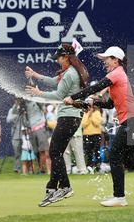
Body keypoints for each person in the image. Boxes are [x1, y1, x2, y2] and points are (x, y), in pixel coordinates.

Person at [63, 46, 134, 207]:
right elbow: (109, 103)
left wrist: (73, 97)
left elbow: (95, 88)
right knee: (130, 160)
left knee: (115, 156)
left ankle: (119, 197)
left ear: (116, 60)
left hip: (132, 121)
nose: (104, 62)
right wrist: (95, 102)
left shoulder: (116, 73)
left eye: (107, 59)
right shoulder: (119, 75)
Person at [25, 43, 89, 207]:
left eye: (59, 58)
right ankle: (52, 188)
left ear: (66, 57)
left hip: (68, 117)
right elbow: (55, 81)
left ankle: (65, 187)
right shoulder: (70, 72)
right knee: (57, 152)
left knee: (54, 152)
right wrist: (36, 75)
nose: (57, 61)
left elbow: (59, 94)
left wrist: (39, 93)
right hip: (70, 118)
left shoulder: (70, 74)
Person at [12, 98, 51, 175]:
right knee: (36, 151)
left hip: (40, 126)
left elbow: (42, 104)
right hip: (31, 129)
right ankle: (40, 169)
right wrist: (17, 102)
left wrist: (35, 95)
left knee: (42, 150)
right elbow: (15, 111)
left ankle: (42, 170)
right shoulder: (24, 104)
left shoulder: (36, 101)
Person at [81, 98, 102, 173]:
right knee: (88, 152)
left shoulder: (97, 113)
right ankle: (90, 167)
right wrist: (88, 115)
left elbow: (97, 123)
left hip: (96, 134)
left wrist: (91, 116)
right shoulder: (84, 113)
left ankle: (98, 168)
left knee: (97, 151)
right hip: (87, 135)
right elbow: (83, 124)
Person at [6, 99, 23, 173]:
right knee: (17, 153)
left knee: (28, 152)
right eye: (17, 100)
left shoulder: (25, 110)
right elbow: (8, 120)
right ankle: (17, 169)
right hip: (15, 135)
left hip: (25, 135)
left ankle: (29, 169)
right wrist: (15, 116)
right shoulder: (11, 110)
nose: (18, 101)